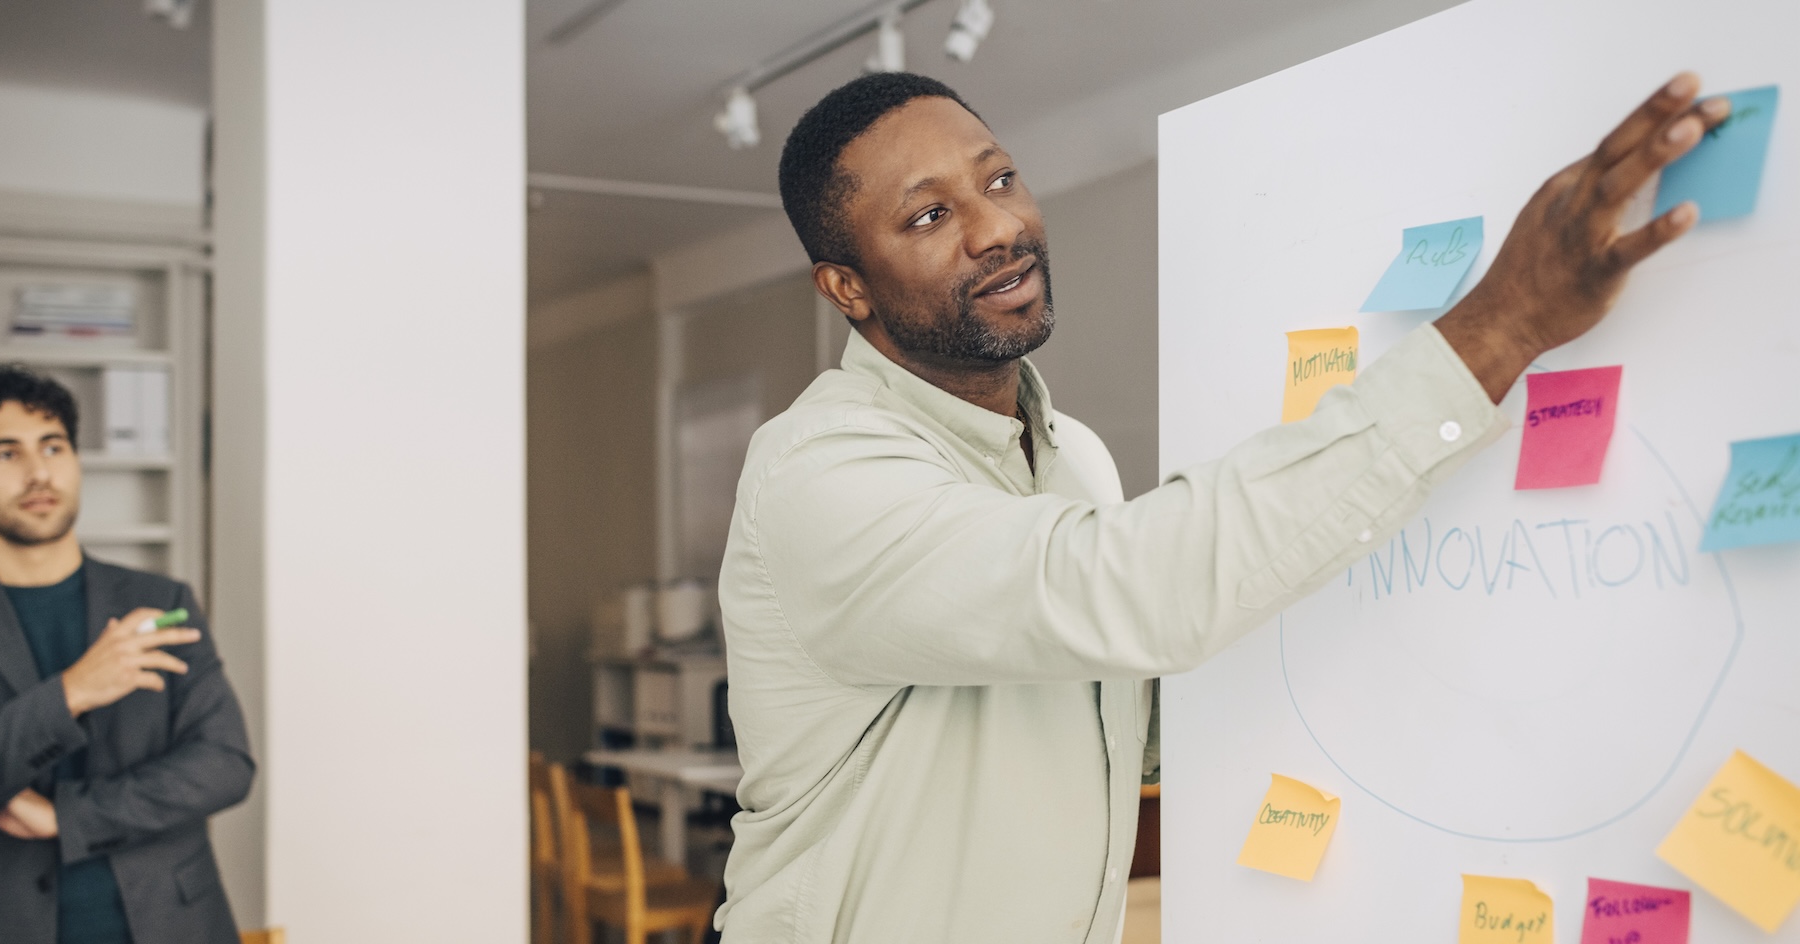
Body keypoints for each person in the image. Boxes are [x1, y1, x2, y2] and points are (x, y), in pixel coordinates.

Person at [714, 71, 1729, 942]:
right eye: (929, 216)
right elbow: (1132, 593)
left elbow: (1122, 700)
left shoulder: (1075, 460)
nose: (997, 228)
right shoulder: (818, 474)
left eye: (999, 178)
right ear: (846, 287)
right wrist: (1500, 326)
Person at [0, 365, 253, 944]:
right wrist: (73, 691)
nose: (39, 472)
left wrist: (65, 817)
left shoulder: (162, 603)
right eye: (7, 453)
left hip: (169, 920)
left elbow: (224, 764)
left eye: (53, 447)